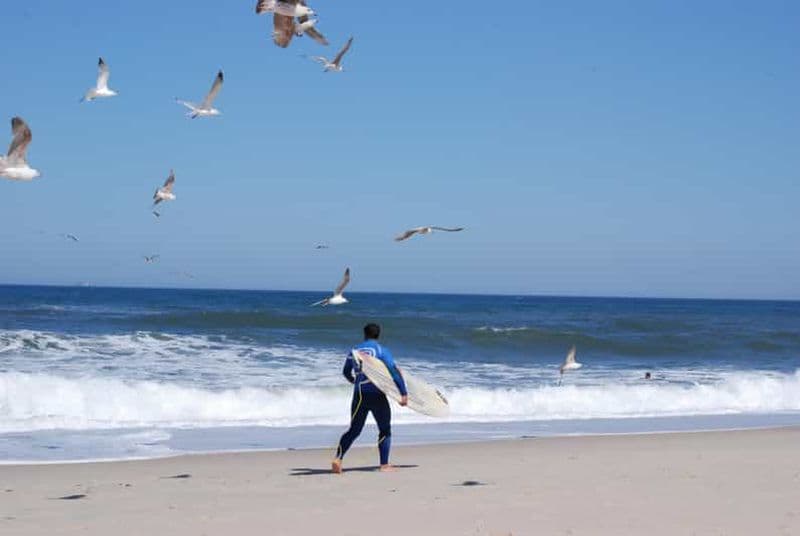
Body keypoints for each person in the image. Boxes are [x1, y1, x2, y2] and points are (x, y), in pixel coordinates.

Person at [332, 323, 408, 474]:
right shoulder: (381, 350)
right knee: (385, 429)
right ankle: (384, 465)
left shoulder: (354, 351)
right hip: (377, 394)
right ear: (378, 335)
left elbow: (346, 371)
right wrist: (403, 393)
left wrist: (354, 381)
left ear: (364, 334)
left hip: (359, 394)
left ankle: (338, 458)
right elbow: (393, 371)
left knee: (354, 430)